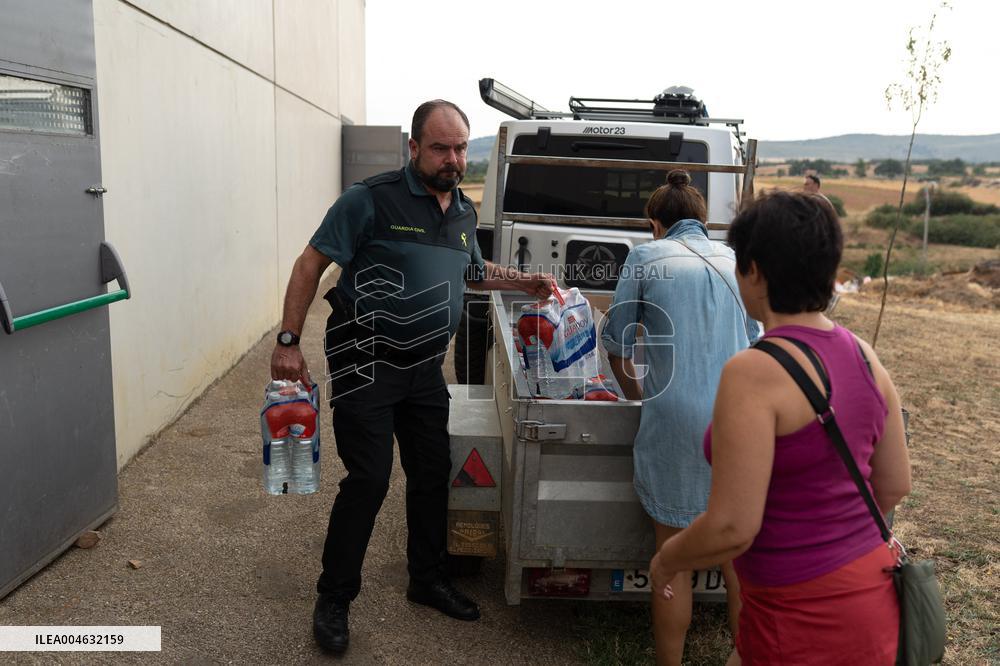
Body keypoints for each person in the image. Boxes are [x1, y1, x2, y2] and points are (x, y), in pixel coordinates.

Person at [270, 99, 554, 654]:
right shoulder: (370, 201)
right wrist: (287, 340)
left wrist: (525, 282)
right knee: (370, 479)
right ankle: (334, 597)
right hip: (364, 363)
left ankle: (426, 578)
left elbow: (472, 272)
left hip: (424, 368)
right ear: (414, 148)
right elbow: (311, 264)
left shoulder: (463, 214)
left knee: (431, 474)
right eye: (441, 148)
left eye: (460, 148)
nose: (453, 159)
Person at [649, 191, 912, 665]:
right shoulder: (865, 355)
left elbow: (732, 527)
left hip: (797, 615)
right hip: (873, 601)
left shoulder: (753, 371)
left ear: (754, 271)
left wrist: (667, 560)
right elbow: (894, 484)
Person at [601, 170, 758, 666]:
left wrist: (636, 394)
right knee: (739, 561)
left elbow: (617, 340)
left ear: (654, 223)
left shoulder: (647, 256)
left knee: (673, 561)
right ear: (702, 220)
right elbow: (756, 339)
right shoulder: (734, 259)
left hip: (673, 416)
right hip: (739, 417)